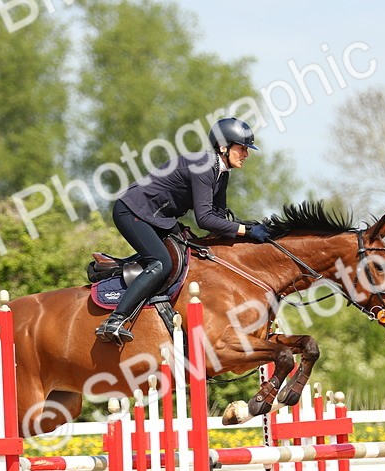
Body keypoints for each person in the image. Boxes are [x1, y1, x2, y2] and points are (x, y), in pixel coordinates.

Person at [94, 116, 273, 345]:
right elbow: (205, 219)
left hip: (157, 218)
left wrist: (250, 225)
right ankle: (115, 320)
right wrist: (246, 232)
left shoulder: (221, 173)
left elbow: (218, 216)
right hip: (133, 212)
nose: (246, 154)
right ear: (223, 146)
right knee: (161, 263)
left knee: (188, 252)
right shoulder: (204, 166)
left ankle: (121, 269)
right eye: (242, 148)